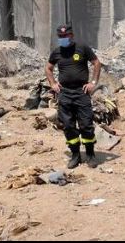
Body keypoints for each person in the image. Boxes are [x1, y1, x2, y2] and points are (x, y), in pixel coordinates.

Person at [46, 24, 102, 169]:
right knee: (68, 126)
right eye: (61, 36)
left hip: (81, 93)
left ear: (72, 35)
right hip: (65, 93)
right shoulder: (57, 52)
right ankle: (75, 155)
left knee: (86, 125)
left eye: (66, 36)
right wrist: (52, 83)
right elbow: (48, 68)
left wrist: (93, 82)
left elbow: (96, 63)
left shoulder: (82, 48)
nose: (63, 39)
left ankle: (90, 155)